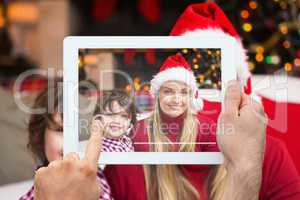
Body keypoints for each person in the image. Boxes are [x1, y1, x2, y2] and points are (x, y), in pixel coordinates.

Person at [33, 2, 300, 200]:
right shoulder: (126, 160)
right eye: (168, 91)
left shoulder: (267, 154)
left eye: (187, 92)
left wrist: (246, 168)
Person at [20, 79, 138, 200]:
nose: (73, 145)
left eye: (81, 134)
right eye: (61, 130)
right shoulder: (39, 188)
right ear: (40, 136)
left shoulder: (101, 182)